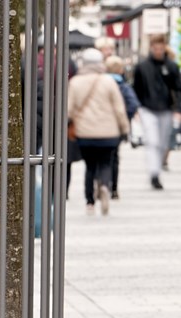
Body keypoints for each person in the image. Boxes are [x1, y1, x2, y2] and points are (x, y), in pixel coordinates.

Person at [68, 48, 129, 216]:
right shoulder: (108, 82)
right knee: (105, 163)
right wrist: (125, 129)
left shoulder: (75, 82)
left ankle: (89, 202)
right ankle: (104, 185)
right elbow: (119, 109)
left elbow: (69, 110)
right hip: (108, 133)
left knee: (90, 167)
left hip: (85, 134)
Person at [132, 34, 179, 190]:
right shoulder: (142, 67)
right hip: (147, 108)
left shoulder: (171, 66)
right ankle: (154, 174)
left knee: (163, 142)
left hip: (166, 108)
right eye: (155, 48)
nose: (158, 51)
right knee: (153, 142)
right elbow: (136, 88)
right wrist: (137, 108)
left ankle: (156, 170)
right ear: (151, 48)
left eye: (160, 48)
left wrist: (178, 108)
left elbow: (177, 87)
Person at [105, 55, 139, 201]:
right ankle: (114, 189)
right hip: (117, 127)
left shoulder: (101, 84)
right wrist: (126, 118)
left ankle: (101, 183)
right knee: (114, 157)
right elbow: (133, 105)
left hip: (101, 124)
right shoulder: (123, 87)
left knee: (101, 158)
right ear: (120, 70)